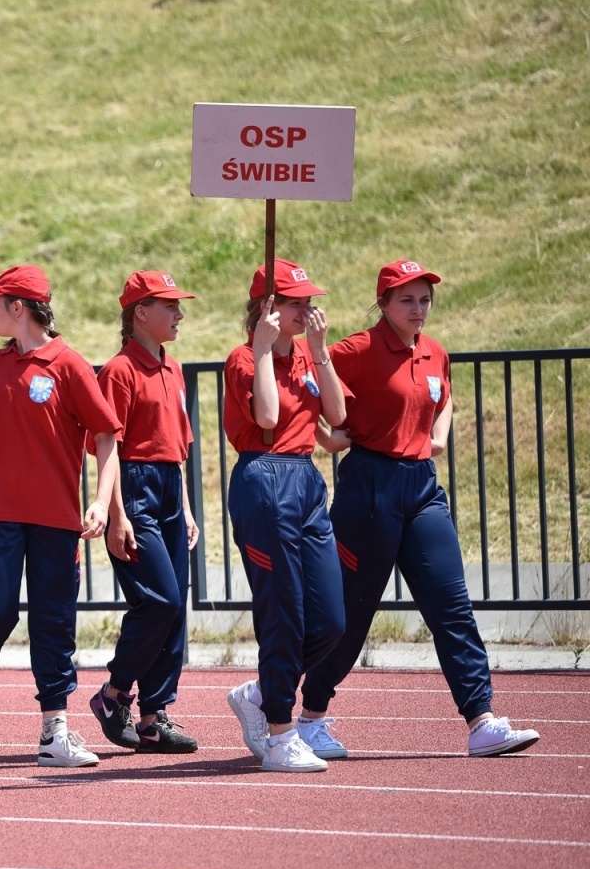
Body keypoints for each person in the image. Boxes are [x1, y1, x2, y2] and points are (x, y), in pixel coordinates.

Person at [297, 260, 540, 758]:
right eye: (406, 299)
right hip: (369, 488)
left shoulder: (435, 352)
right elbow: (300, 378)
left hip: (422, 490)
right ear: (383, 302)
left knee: (452, 607)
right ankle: (306, 716)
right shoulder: (358, 350)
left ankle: (481, 720)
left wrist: (440, 435)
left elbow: (443, 394)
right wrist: (324, 434)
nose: (418, 309)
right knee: (351, 614)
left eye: (425, 299)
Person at [0, 265, 121, 767]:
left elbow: (106, 437)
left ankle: (53, 732)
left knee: (53, 621)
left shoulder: (70, 364)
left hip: (56, 519)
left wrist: (101, 501)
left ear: (19, 308)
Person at [222, 261, 349, 773]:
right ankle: (279, 733)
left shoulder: (306, 353)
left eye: (306, 301)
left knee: (330, 621)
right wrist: (260, 349)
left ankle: (260, 692)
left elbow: (338, 417)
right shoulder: (242, 359)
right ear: (267, 307)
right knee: (284, 613)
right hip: (264, 477)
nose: (307, 310)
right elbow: (268, 419)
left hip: (305, 478)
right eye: (295, 302)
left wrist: (319, 354)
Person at [90, 271, 201, 754]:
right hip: (134, 491)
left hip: (170, 491)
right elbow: (106, 446)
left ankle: (155, 716)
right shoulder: (118, 371)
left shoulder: (173, 369)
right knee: (161, 600)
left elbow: (179, 449)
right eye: (169, 306)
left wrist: (190, 509)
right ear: (140, 312)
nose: (179, 314)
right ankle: (115, 694)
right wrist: (117, 514)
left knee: (177, 609)